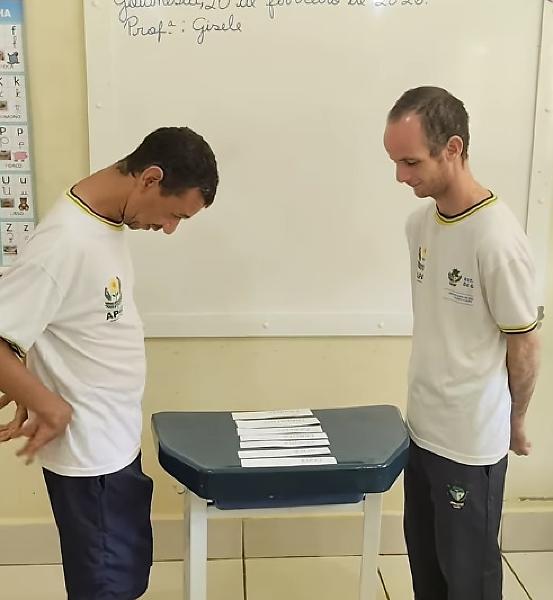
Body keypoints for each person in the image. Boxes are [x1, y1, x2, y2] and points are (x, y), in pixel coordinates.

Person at [0, 126, 219, 599]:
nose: (169, 229)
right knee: (105, 587)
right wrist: (48, 404)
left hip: (113, 442)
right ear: (150, 178)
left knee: (124, 578)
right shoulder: (64, 242)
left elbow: (50, 319)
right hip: (89, 458)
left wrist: (27, 376)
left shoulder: (104, 225)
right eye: (175, 215)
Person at [383, 87, 540, 599]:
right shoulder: (419, 225)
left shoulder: (497, 238)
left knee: (469, 579)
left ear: (453, 148)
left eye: (410, 162)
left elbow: (524, 344)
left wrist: (515, 419)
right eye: (394, 161)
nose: (400, 176)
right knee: (427, 571)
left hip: (470, 444)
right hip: (421, 429)